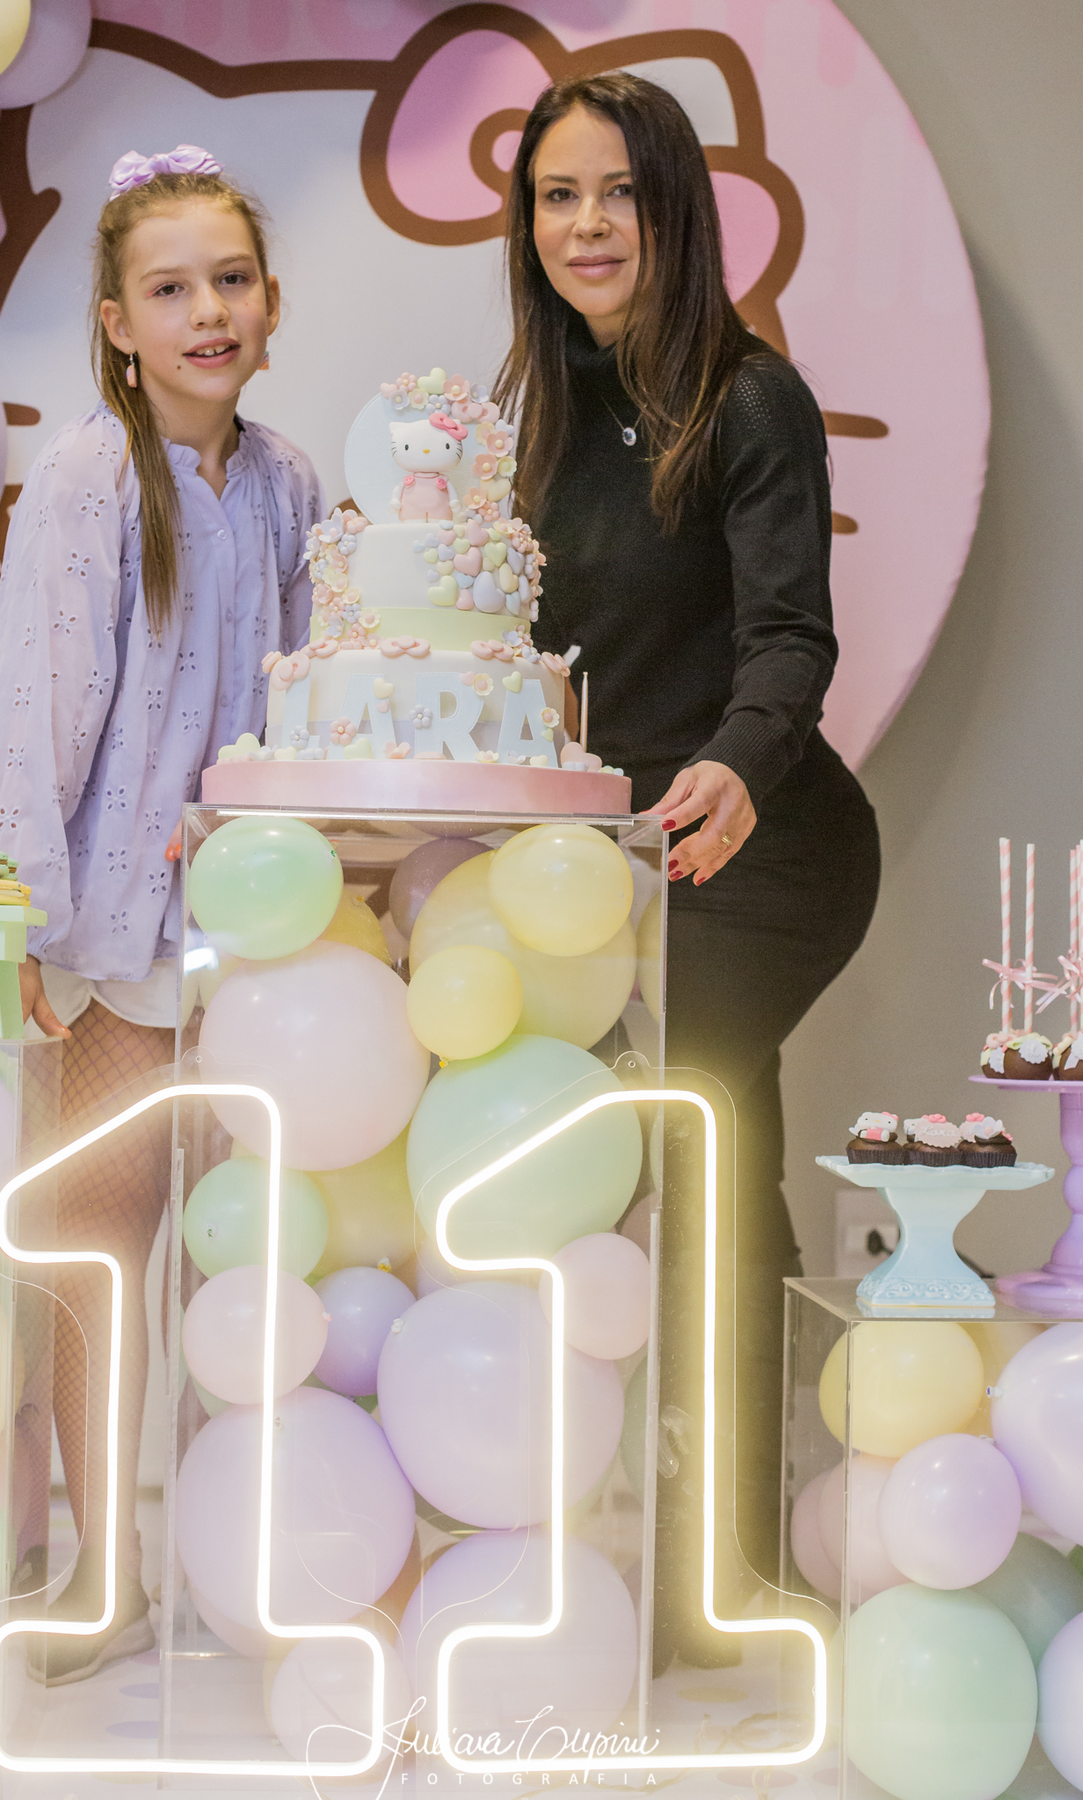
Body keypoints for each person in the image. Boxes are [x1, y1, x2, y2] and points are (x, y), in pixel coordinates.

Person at [0, 146, 324, 1683]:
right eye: (171, 290)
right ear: (118, 323)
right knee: (99, 1246)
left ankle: (245, 1566)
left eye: (230, 281)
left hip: (254, 941)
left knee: (243, 1256)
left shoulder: (287, 484)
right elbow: (39, 717)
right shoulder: (95, 480)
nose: (206, 311)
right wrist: (20, 935)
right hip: (111, 943)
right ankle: (107, 1572)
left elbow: (300, 699)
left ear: (270, 304)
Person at [495, 75, 880, 1656]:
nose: (587, 225)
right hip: (620, 866)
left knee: (683, 1159)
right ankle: (732, 1565)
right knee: (720, 1166)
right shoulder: (540, 409)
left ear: (675, 210)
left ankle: (708, 1579)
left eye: (620, 193)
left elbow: (791, 637)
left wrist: (733, 758)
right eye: (557, 195)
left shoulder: (749, 397)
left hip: (758, 849)